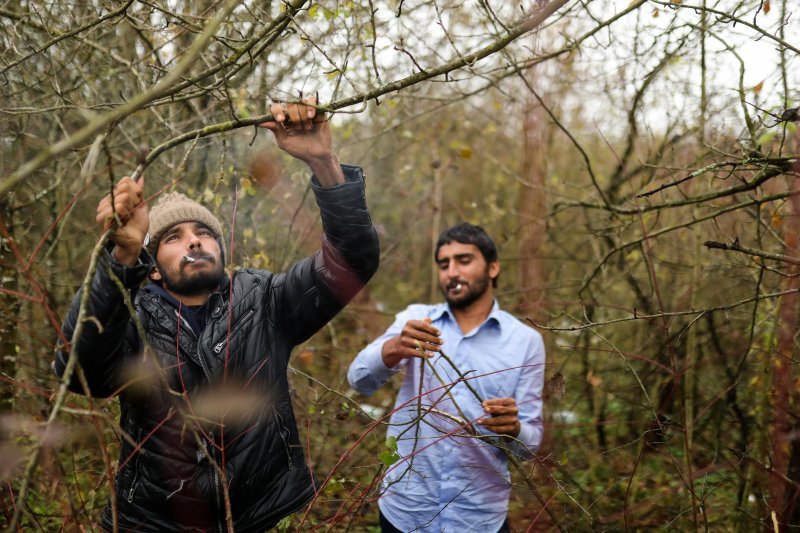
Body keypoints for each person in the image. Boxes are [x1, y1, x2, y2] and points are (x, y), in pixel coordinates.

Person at [54, 99, 380, 532]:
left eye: (204, 232)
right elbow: (80, 373)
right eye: (173, 236)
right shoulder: (129, 316)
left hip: (257, 516)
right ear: (151, 266)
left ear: (221, 250)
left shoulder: (266, 299)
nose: (194, 242)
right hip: (154, 522)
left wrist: (323, 162)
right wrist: (121, 256)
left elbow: (351, 261)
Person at [348, 223, 545, 533]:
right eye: (444, 264)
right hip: (406, 511)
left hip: (479, 517)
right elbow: (358, 379)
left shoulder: (525, 341)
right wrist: (395, 347)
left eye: (463, 260)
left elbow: (530, 446)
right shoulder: (415, 320)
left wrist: (514, 429)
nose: (452, 272)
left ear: (492, 267)